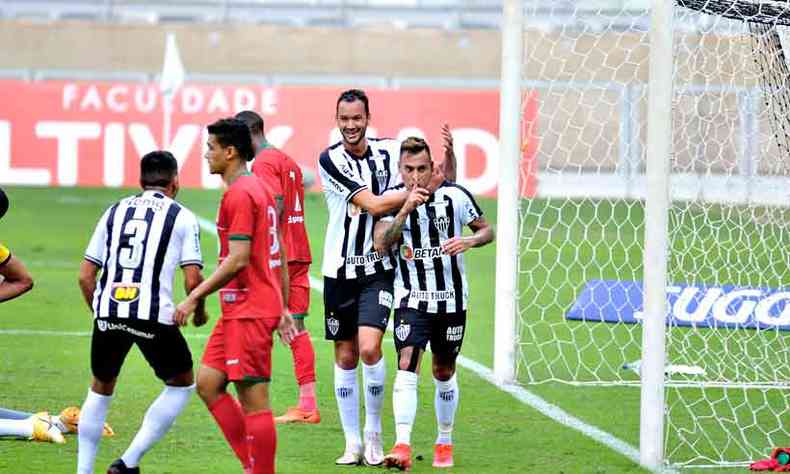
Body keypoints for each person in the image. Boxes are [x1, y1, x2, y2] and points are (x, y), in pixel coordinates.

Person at [318, 89, 456, 465]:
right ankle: (351, 444)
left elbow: (436, 176)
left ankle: (374, 434)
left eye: (357, 118)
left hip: (378, 270)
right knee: (346, 357)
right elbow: (375, 204)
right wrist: (417, 193)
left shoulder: (388, 150)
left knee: (368, 349)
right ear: (337, 120)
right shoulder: (330, 160)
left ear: (367, 117)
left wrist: (443, 162)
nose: (350, 125)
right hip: (339, 271)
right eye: (344, 119)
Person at [175, 118, 297, 474]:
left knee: (254, 401)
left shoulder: (242, 194)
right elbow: (278, 256)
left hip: (250, 308)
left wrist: (193, 296)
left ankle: (262, 471)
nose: (205, 154)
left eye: (211, 147)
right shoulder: (255, 189)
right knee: (209, 383)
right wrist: (284, 305)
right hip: (242, 307)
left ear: (230, 152)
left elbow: (240, 258)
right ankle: (251, 464)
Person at [76, 151, 208, 474]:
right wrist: (199, 309)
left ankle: (83, 471)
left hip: (109, 311)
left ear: (140, 181)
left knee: (101, 386)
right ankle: (128, 462)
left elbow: (85, 275)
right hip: (153, 316)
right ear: (175, 181)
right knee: (182, 383)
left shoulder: (114, 210)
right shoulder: (182, 216)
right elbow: (193, 279)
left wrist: (101, 311)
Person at [373, 137, 494, 470]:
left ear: (432, 168)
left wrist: (469, 240)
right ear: (400, 169)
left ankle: (444, 439)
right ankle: (401, 445)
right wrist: (406, 208)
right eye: (409, 169)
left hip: (452, 301)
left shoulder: (455, 197)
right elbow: (382, 244)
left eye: (422, 169)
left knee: (443, 369)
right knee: (407, 362)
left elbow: (487, 230)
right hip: (411, 299)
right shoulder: (391, 200)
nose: (415, 177)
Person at [236, 110, 319, 424]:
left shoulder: (263, 163)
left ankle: (249, 401)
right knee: (295, 327)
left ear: (250, 132)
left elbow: (276, 203)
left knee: (252, 323)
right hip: (298, 250)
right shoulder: (286, 160)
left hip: (279, 255)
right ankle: (307, 404)